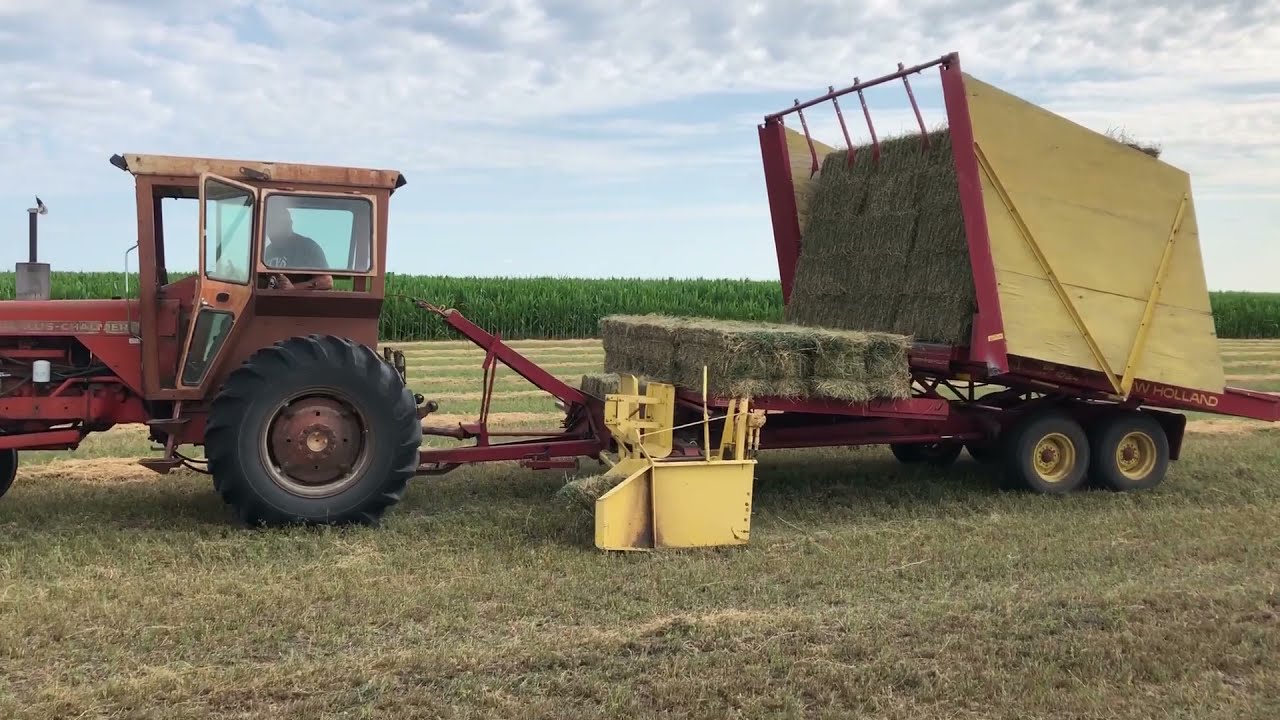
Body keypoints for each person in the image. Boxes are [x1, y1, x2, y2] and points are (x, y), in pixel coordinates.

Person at [262, 203, 334, 290]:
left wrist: (293, 288)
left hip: (298, 298)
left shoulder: (307, 246)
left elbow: (327, 281)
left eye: (276, 224)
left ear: (289, 224)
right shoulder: (268, 251)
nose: (270, 229)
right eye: (269, 225)